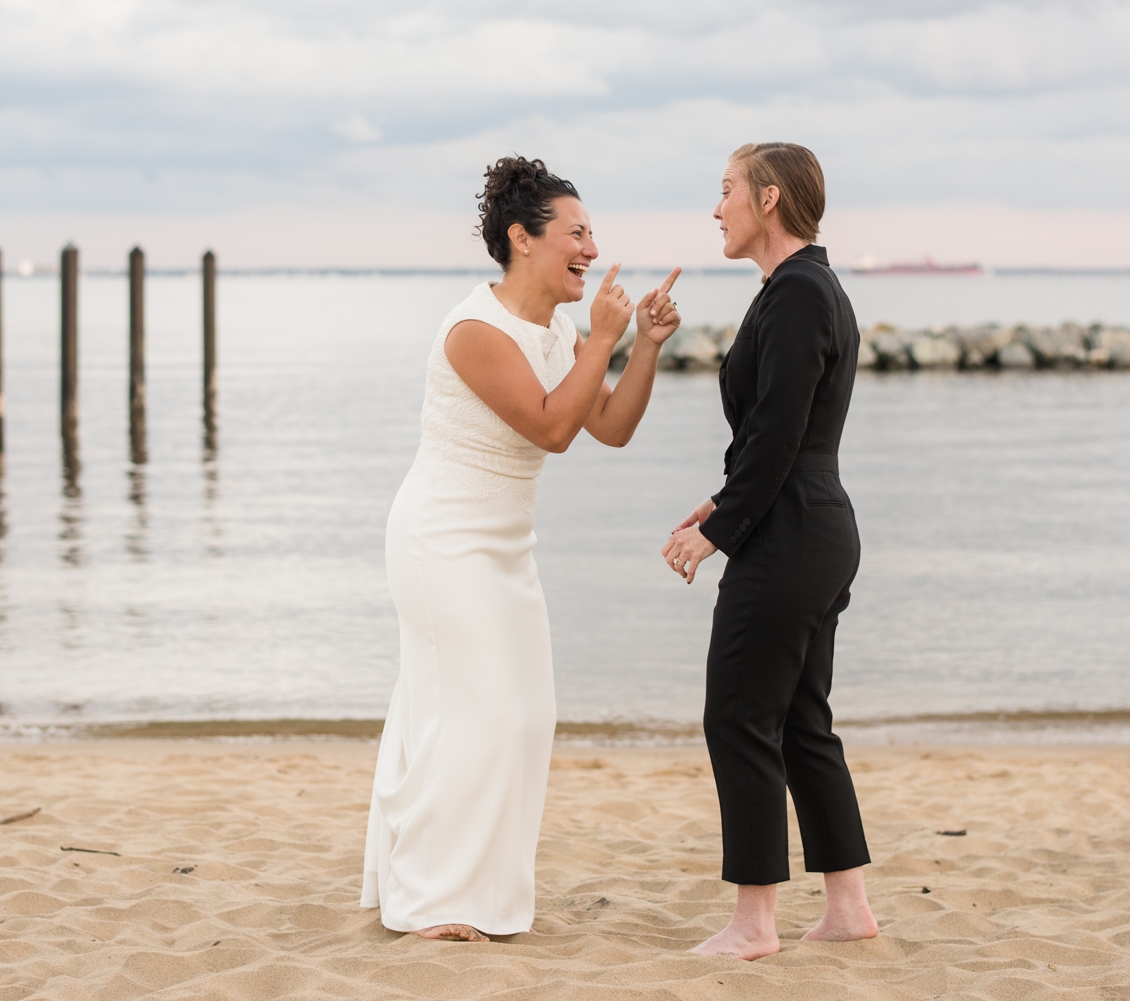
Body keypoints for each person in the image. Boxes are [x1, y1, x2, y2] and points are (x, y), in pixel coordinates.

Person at [362, 156, 682, 942]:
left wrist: (640, 344)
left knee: (525, 714)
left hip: (505, 544)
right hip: (444, 540)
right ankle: (432, 899)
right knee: (476, 712)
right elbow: (549, 427)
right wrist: (601, 339)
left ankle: (480, 890)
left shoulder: (559, 327)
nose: (590, 247)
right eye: (576, 233)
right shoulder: (476, 329)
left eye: (591, 233)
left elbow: (607, 427)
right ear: (522, 238)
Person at [661, 142, 878, 960]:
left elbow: (781, 434)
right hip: (811, 524)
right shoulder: (801, 287)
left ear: (770, 199)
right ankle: (848, 907)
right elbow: (777, 434)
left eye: (725, 192)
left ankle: (754, 922)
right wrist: (720, 503)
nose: (716, 209)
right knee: (800, 722)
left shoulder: (796, 294)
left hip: (791, 534)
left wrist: (716, 531)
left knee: (739, 716)